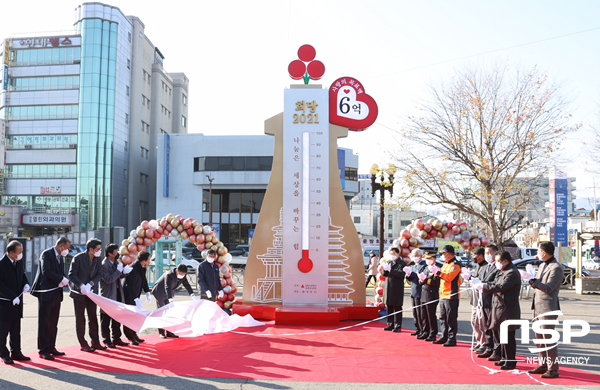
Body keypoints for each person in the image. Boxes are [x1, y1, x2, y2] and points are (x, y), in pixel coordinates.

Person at [527, 241, 564, 379]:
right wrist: (531, 280)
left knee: (548, 340)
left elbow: (548, 288)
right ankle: (543, 364)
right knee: (539, 339)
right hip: (538, 306)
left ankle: (553, 369)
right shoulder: (542, 264)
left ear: (544, 252)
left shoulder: (556, 268)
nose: (537, 253)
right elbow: (539, 283)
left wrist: (534, 282)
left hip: (548, 307)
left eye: (538, 251)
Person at [479, 251, 521, 370]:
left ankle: (511, 361)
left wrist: (483, 287)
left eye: (498, 261)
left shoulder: (512, 272)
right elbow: (494, 283)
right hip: (498, 307)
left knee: (508, 336)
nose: (496, 263)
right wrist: (482, 284)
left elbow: (501, 287)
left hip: (507, 308)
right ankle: (504, 358)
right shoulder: (502, 271)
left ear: (505, 261)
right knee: (500, 335)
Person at [30, 236, 70, 360]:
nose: (66, 251)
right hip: (46, 294)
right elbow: (46, 271)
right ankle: (43, 349)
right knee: (44, 322)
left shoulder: (61, 257)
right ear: (60, 246)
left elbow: (59, 272)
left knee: (53, 322)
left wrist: (64, 279)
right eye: (66, 248)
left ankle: (51, 346)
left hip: (56, 294)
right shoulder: (46, 254)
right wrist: (60, 279)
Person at [68, 238, 104, 353]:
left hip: (92, 293)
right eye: (98, 249)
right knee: (80, 318)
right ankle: (83, 343)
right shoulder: (78, 258)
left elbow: (100, 274)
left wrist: (91, 284)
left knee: (93, 317)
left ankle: (95, 341)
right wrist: (81, 285)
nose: (100, 251)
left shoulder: (98, 259)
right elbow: (71, 274)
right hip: (79, 293)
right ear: (90, 249)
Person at [0, 240, 30, 364]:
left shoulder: (18, 262)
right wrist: (12, 296)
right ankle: (3, 353)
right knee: (3, 330)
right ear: (11, 253)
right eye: (19, 252)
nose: (21, 254)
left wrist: (26, 284)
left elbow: (22, 276)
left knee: (16, 329)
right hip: (6, 302)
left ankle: (16, 351)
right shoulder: (1, 264)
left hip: (17, 301)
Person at [100, 243, 132, 348]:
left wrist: (124, 272)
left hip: (117, 293)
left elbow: (118, 276)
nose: (117, 253)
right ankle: (106, 339)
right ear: (109, 253)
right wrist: (119, 271)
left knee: (117, 318)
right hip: (108, 295)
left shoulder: (115, 263)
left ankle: (116, 338)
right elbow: (108, 279)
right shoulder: (104, 265)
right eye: (115, 252)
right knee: (106, 319)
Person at [151, 264, 196, 338]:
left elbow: (187, 285)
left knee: (170, 313)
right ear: (176, 271)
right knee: (161, 312)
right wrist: (170, 298)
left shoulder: (183, 275)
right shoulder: (169, 275)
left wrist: (192, 294)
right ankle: (161, 332)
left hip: (169, 293)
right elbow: (167, 287)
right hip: (160, 292)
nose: (182, 276)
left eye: (184, 274)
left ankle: (169, 332)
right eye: (181, 274)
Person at [432, 245, 461, 346]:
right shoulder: (445, 263)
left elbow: (449, 277)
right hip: (443, 294)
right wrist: (436, 273)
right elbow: (441, 275)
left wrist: (438, 272)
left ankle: (452, 339)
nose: (443, 255)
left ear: (448, 253)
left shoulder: (455, 265)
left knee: (451, 318)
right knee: (443, 317)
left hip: (451, 295)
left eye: (444, 253)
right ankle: (444, 336)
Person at [477, 244, 501, 361]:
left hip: (492, 300)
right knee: (485, 326)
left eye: (489, 253)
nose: (487, 255)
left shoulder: (497, 268)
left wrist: (484, 285)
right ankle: (488, 347)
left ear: (495, 253)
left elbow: (495, 283)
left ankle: (495, 350)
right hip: (483, 300)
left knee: (493, 327)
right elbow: (481, 279)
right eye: (486, 253)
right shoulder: (485, 267)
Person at [123, 251, 151, 345]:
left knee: (134, 317)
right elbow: (129, 286)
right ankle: (130, 337)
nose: (149, 262)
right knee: (129, 317)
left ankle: (134, 334)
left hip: (135, 295)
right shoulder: (133, 269)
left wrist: (147, 292)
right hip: (129, 296)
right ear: (143, 261)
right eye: (148, 260)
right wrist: (135, 298)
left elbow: (144, 280)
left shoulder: (142, 267)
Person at [404, 249, 428, 338]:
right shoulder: (413, 266)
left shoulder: (423, 265)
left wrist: (412, 274)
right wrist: (408, 275)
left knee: (420, 313)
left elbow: (419, 277)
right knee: (415, 312)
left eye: (416, 255)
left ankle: (423, 330)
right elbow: (412, 279)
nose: (414, 257)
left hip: (420, 291)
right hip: (413, 291)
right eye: (413, 255)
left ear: (421, 256)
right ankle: (418, 328)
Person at [381, 247, 405, 332]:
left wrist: (390, 270)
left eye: (394, 253)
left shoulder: (401, 263)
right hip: (388, 288)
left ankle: (397, 325)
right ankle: (390, 324)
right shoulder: (389, 262)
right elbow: (384, 274)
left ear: (398, 254)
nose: (393, 255)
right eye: (391, 253)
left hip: (397, 288)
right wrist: (385, 269)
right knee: (389, 306)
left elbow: (400, 274)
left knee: (397, 307)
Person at [419, 253, 440, 342]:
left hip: (432, 294)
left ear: (434, 259)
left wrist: (425, 280)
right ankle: (425, 331)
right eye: (427, 258)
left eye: (430, 258)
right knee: (424, 315)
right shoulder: (426, 268)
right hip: (424, 293)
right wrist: (421, 280)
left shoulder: (437, 268)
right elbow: (421, 279)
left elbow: (436, 282)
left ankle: (432, 333)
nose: (428, 260)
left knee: (431, 315)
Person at [469, 247, 487, 351]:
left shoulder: (485, 266)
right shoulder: (478, 266)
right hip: (476, 299)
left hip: (482, 299)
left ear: (480, 255)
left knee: (481, 322)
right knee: (473, 321)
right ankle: (479, 341)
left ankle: (483, 343)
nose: (473, 257)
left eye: (474, 255)